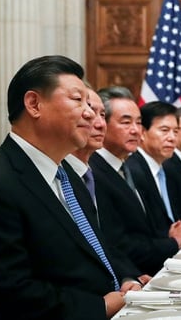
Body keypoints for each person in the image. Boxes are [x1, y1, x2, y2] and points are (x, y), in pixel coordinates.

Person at [0, 55, 139, 318]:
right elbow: (12, 290)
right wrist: (100, 307)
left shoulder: (67, 172)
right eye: (77, 100)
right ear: (34, 104)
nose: (91, 113)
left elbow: (96, 248)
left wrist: (127, 280)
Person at [91, 87, 181, 276]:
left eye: (138, 123)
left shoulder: (129, 167)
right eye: (126, 122)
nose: (135, 130)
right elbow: (117, 244)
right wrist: (173, 243)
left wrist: (174, 233)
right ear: (101, 124)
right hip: (131, 277)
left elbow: (146, 229)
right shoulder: (93, 172)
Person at [65, 88, 151, 284]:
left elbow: (104, 242)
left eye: (102, 115)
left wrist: (128, 277)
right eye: (126, 122)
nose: (98, 123)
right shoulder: (70, 174)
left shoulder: (124, 168)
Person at [125, 101, 181, 243]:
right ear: (143, 133)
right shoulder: (132, 170)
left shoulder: (166, 169)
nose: (172, 138)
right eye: (164, 130)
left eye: (175, 132)